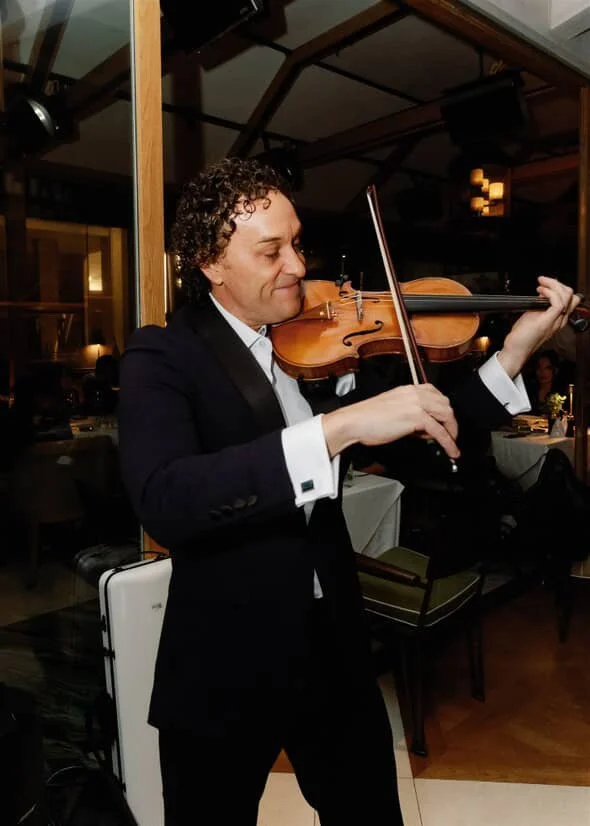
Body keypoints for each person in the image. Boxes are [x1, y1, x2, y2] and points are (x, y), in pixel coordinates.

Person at [117, 157, 578, 826]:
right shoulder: (163, 355)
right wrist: (336, 428)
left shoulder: (313, 338)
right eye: (270, 250)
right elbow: (166, 497)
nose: (299, 266)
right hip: (225, 659)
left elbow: (429, 420)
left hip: (329, 642)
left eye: (297, 242)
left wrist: (512, 353)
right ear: (210, 264)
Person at [525, 348, 567, 416]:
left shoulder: (561, 394)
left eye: (548, 368)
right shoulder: (530, 390)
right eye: (539, 367)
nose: (542, 372)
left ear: (555, 370)